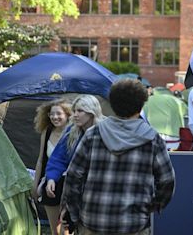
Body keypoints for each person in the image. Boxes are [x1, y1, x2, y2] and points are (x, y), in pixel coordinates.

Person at [61, 79, 175, 234]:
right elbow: (167, 181)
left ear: (112, 104)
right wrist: (151, 206)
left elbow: (73, 177)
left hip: (92, 222)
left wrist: (75, 214)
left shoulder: (93, 134)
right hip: (134, 225)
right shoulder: (152, 139)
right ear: (141, 106)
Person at [44, 95, 104, 209]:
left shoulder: (104, 131)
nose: (75, 114)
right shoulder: (71, 132)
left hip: (97, 187)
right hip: (75, 186)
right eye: (74, 110)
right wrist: (51, 178)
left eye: (80, 111)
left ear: (91, 112)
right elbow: (58, 158)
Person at [32, 99, 72, 235]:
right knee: (55, 229)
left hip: (69, 185)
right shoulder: (47, 132)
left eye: (59, 114)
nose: (55, 117)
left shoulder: (74, 133)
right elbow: (41, 160)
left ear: (67, 115)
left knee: (67, 229)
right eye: (52, 114)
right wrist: (36, 183)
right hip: (50, 183)